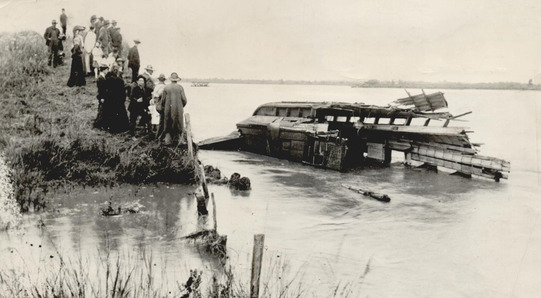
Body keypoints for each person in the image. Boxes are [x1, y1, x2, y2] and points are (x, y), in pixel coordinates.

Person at [159, 73, 187, 145]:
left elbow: (163, 101)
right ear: (177, 80)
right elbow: (184, 100)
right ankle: (180, 141)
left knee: (168, 124)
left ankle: (168, 141)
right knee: (178, 124)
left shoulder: (166, 88)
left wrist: (165, 106)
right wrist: (180, 106)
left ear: (171, 80)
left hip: (168, 109)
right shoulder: (180, 87)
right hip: (178, 110)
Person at [106, 64, 130, 133]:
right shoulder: (119, 80)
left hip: (111, 99)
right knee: (120, 113)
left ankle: (113, 128)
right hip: (118, 100)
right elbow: (122, 91)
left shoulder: (108, 79)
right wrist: (123, 99)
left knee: (112, 113)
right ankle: (121, 128)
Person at [93, 64, 109, 130]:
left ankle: (100, 123)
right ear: (104, 70)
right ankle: (99, 123)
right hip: (102, 96)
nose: (107, 71)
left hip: (103, 96)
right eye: (107, 69)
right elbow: (101, 89)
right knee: (102, 110)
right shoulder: (100, 78)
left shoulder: (102, 77)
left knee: (102, 109)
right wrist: (102, 97)